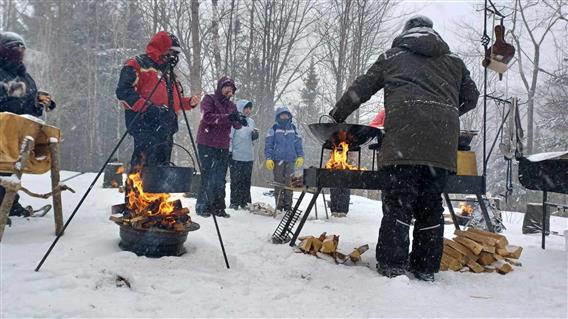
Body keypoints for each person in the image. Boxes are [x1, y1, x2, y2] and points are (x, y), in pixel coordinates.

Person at [329, 16, 479, 281]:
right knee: (430, 206)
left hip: (403, 143)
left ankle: (392, 266)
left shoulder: (393, 56)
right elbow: (471, 97)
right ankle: (425, 269)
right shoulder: (454, 62)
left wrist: (336, 115)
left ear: (406, 33)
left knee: (399, 205)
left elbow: (361, 88)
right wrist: (446, 112)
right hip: (440, 147)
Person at [116, 31, 201, 169]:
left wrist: (189, 102)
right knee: (144, 163)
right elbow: (124, 91)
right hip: (144, 123)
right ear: (161, 48)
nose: (174, 57)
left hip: (166, 126)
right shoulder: (137, 64)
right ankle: (138, 188)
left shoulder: (169, 72)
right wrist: (148, 108)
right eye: (172, 52)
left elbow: (174, 101)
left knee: (162, 166)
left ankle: (158, 189)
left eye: (176, 54)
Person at [0, 31, 55, 220]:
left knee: (11, 170)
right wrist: (31, 103)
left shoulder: (22, 74)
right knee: (3, 169)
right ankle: (4, 208)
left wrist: (41, 99)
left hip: (18, 133)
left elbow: (25, 95)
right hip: (3, 131)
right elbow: (6, 102)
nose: (19, 51)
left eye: (21, 48)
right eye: (14, 47)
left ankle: (10, 206)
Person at [195, 76, 247, 218]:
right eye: (226, 87)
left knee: (220, 177)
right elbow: (208, 117)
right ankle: (202, 206)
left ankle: (219, 207)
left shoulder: (232, 106)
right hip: (206, 142)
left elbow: (236, 125)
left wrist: (240, 119)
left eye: (231, 89)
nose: (228, 90)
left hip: (223, 145)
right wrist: (228, 117)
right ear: (220, 87)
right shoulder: (209, 99)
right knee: (208, 174)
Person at [264, 106, 304, 212]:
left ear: (289, 116)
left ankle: (288, 206)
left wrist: (300, 156)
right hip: (277, 160)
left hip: (291, 160)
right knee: (278, 183)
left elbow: (298, 144)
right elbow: (269, 144)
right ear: (278, 116)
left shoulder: (294, 129)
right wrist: (269, 158)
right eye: (282, 114)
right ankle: (279, 205)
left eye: (286, 114)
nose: (284, 116)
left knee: (289, 183)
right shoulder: (274, 129)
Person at [228, 99, 258, 210]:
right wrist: (230, 152)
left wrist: (254, 136)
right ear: (240, 108)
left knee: (246, 180)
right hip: (236, 156)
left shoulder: (251, 122)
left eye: (250, 109)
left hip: (249, 156)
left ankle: (245, 201)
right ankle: (234, 202)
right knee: (236, 180)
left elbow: (250, 138)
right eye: (246, 108)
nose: (248, 111)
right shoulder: (235, 121)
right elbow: (230, 137)